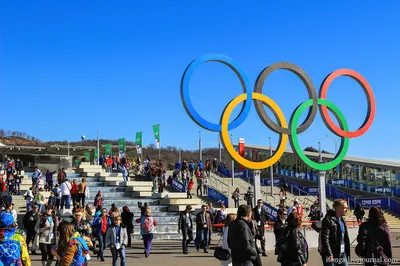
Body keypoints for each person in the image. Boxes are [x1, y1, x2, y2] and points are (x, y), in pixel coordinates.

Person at [320, 199, 350, 266]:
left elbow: (345, 238)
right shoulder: (328, 220)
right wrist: (329, 254)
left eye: (347, 208)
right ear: (337, 208)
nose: (346, 210)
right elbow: (325, 239)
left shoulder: (343, 220)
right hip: (331, 254)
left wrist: (347, 252)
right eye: (344, 208)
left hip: (342, 253)